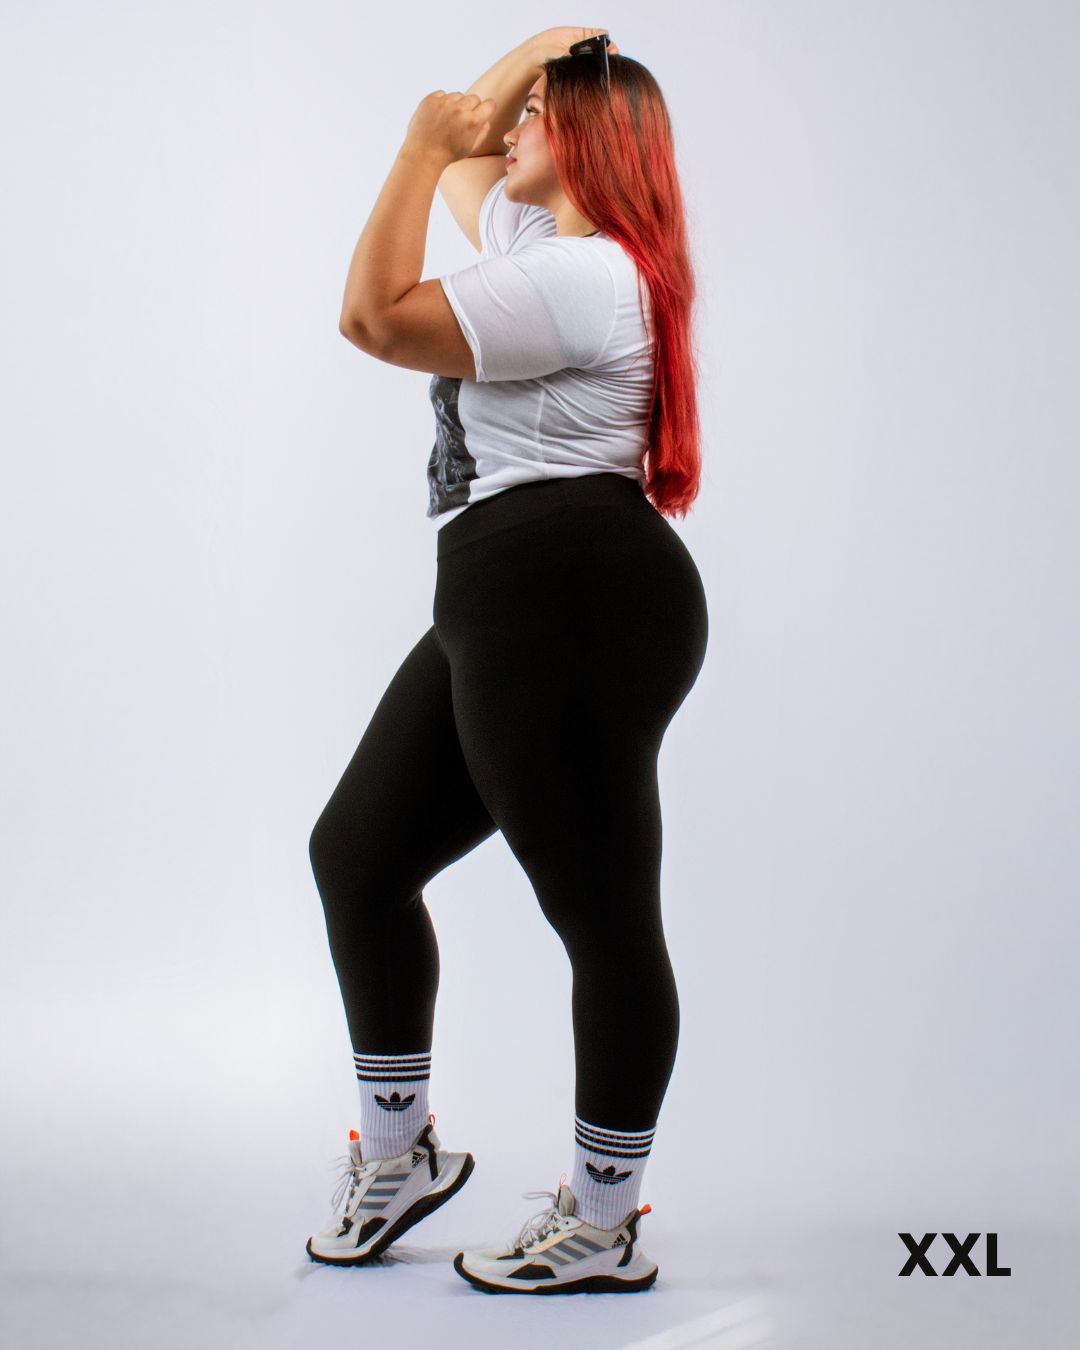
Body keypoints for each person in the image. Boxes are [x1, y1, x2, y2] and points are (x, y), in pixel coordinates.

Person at [305, 27, 709, 1295]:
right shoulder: (551, 245)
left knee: (602, 919)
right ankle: (401, 1156)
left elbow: (374, 316)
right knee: (359, 857)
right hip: (509, 594)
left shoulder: (585, 279)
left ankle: (603, 1222)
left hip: (570, 598)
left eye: (544, 112)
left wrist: (418, 145)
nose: (512, 124)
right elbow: (479, 146)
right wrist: (544, 55)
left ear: (583, 139)